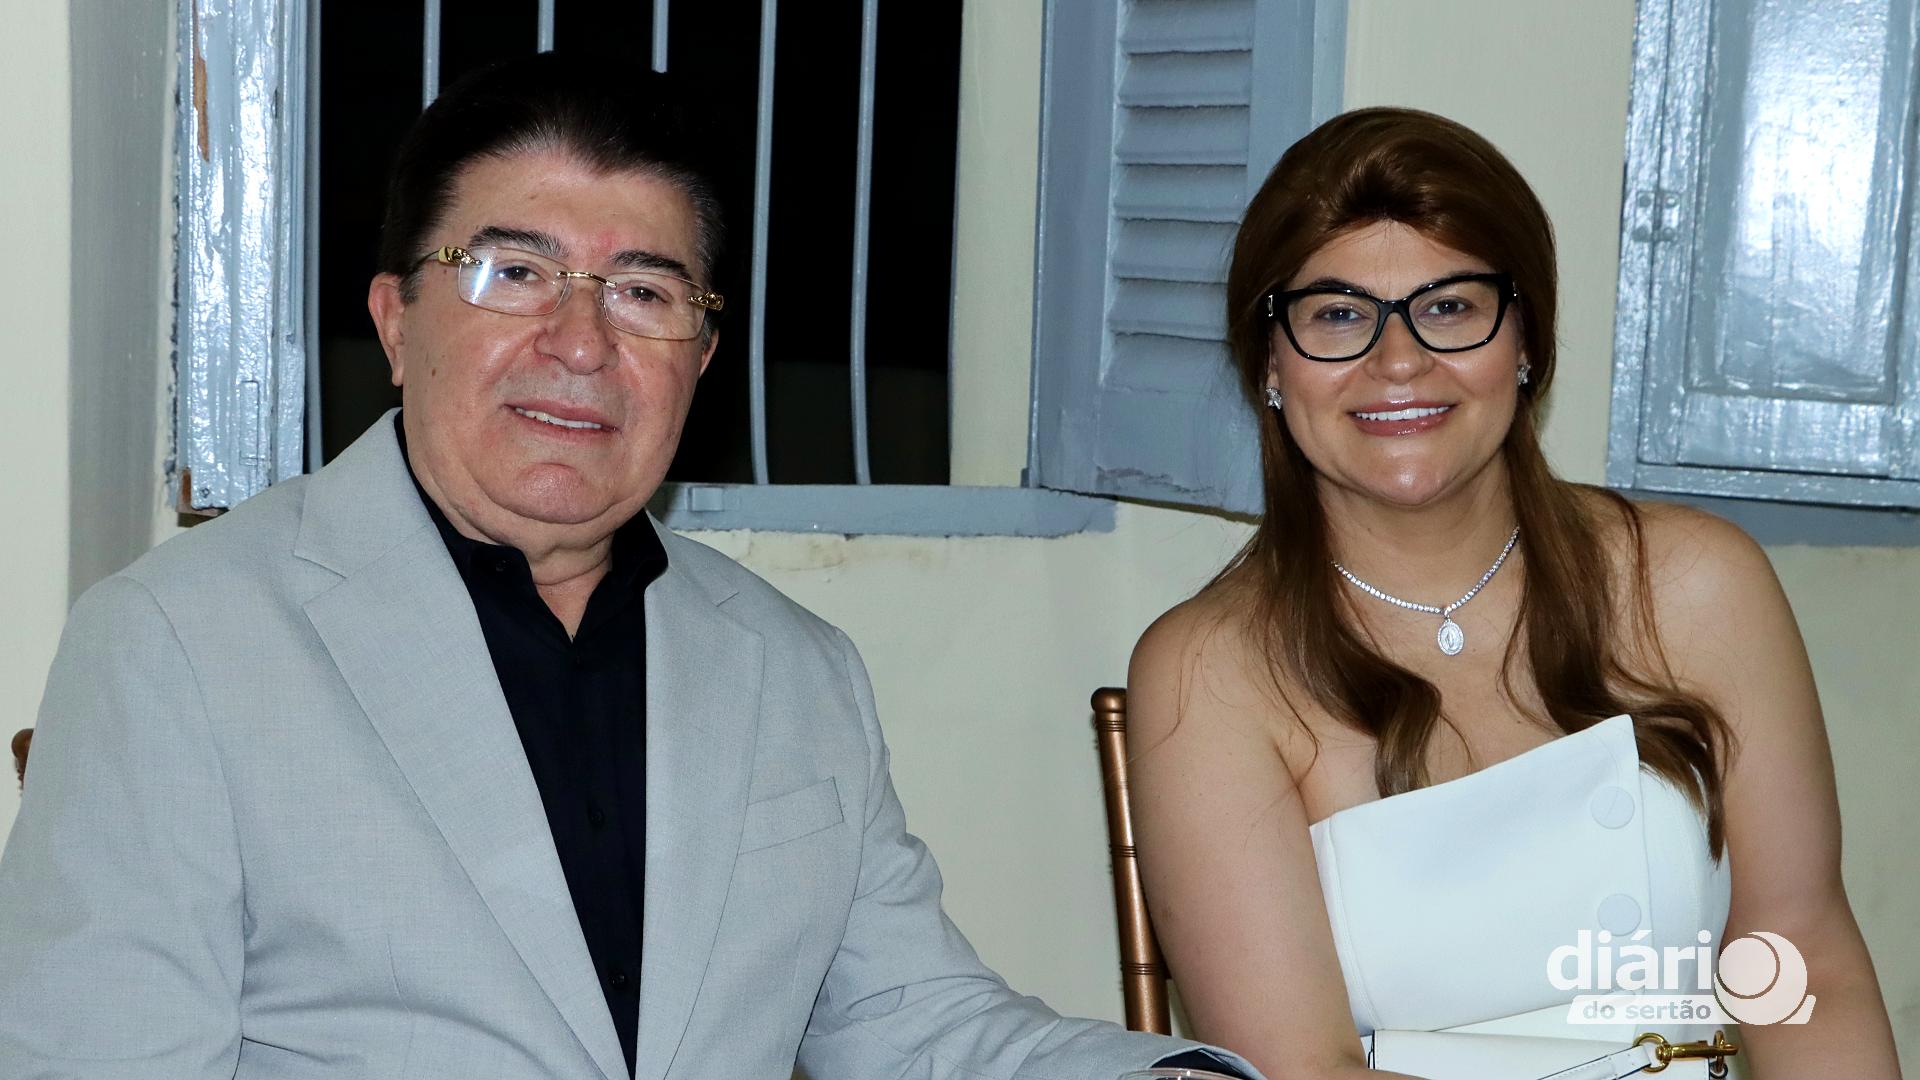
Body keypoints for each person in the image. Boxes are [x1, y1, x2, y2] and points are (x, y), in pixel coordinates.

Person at [0, 55, 1256, 1080]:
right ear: (394, 320)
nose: (581, 341)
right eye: (514, 273)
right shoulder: (182, 641)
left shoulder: (794, 667)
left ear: (700, 360)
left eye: (646, 292)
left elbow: (910, 1026)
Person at [1125, 108, 1901, 1079]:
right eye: (1338, 315)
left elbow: (1802, 954)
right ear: (1270, 363)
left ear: (1525, 340)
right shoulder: (1209, 672)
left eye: (1451, 307)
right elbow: (1303, 1069)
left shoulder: (1696, 584)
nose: (1398, 361)